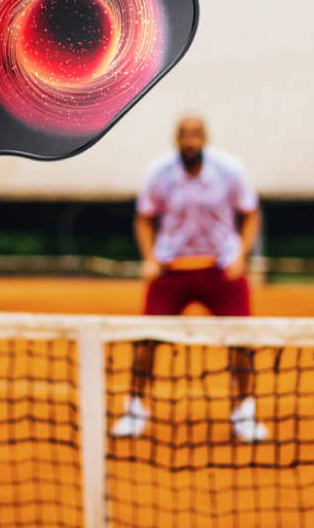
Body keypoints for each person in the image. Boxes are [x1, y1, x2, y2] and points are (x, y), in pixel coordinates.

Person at [111, 115, 268, 443]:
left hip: (221, 269)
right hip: (172, 270)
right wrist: (150, 259)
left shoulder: (229, 170)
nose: (190, 141)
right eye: (184, 135)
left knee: (241, 342)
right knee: (147, 340)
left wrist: (240, 256)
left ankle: (245, 413)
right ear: (176, 139)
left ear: (205, 138)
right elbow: (144, 218)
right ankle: (135, 410)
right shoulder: (159, 173)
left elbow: (250, 212)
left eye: (196, 135)